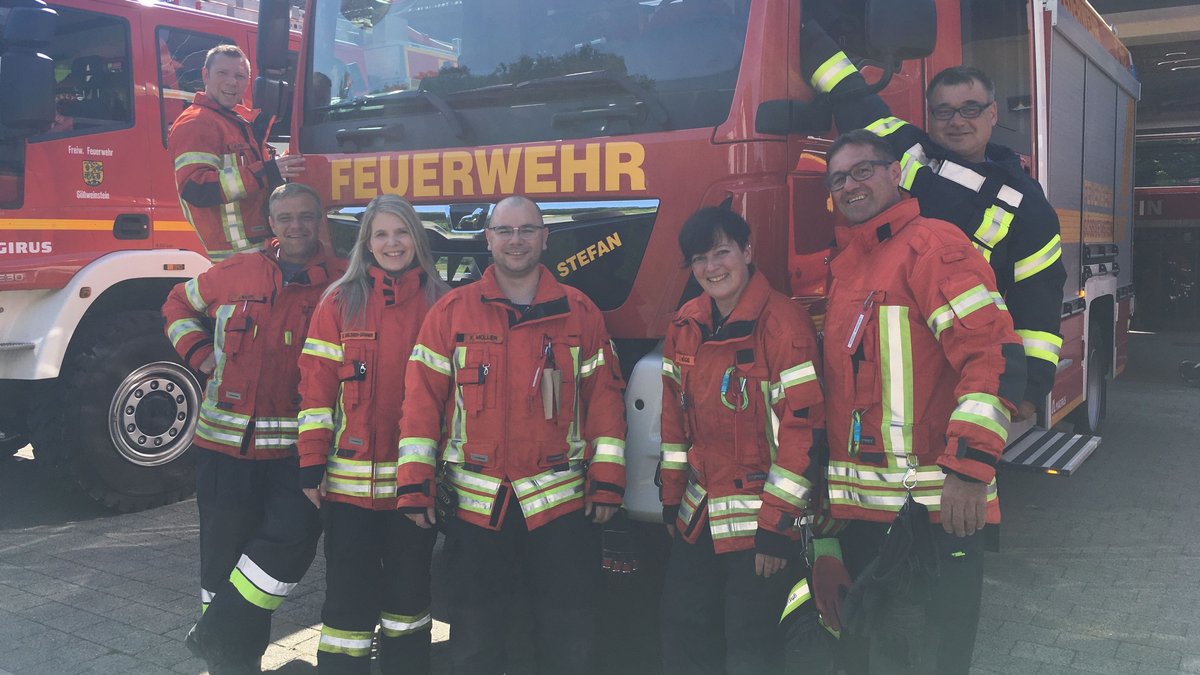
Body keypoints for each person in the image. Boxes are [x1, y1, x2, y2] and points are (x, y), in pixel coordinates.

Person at [819, 130, 1026, 674]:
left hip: (937, 511)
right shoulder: (846, 268)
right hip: (867, 513)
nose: (851, 185)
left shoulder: (935, 247)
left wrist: (969, 471)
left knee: (933, 658)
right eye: (839, 178)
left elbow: (992, 357)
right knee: (875, 655)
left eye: (863, 170)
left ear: (895, 174)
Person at [395, 195, 627, 675]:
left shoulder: (580, 313)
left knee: (564, 634)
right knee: (475, 639)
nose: (515, 240)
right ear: (488, 240)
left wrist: (607, 478)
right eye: (505, 231)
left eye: (526, 230)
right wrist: (414, 483)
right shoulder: (451, 313)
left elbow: (604, 400)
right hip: (477, 512)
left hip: (560, 511)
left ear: (545, 237)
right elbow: (421, 403)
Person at [801, 25, 1066, 422]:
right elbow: (846, 88)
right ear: (930, 117)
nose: (956, 121)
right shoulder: (904, 148)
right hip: (892, 343)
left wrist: (1028, 390)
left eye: (970, 109)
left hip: (962, 356)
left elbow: (1038, 299)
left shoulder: (1026, 203)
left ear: (993, 112)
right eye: (944, 111)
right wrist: (801, 29)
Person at [163, 183, 346, 674]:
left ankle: (213, 632)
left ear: (319, 220)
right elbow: (177, 305)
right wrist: (200, 356)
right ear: (271, 222)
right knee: (221, 562)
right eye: (286, 217)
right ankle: (232, 664)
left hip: (294, 452)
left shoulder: (341, 281)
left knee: (293, 540)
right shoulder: (236, 270)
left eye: (306, 216)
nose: (297, 226)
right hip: (223, 448)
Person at [658, 207, 825, 675]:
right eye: (699, 259)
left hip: (760, 525)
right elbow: (673, 423)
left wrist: (777, 529)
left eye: (721, 252)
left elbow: (802, 433)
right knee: (684, 627)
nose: (711, 268)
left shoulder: (784, 326)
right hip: (699, 515)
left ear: (748, 252)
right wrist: (672, 499)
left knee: (750, 644)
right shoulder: (685, 325)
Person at [296, 195, 449, 674]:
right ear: (366, 243)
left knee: (409, 600)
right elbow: (316, 391)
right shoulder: (339, 302)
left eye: (401, 232)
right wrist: (310, 465)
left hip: (414, 492)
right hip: (348, 493)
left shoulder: (443, 303)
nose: (392, 243)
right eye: (380, 234)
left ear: (417, 239)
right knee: (346, 603)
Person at [169, 44, 305, 261]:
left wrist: (281, 164)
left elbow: (252, 174)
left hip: (255, 251)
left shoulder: (235, 121)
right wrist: (265, 171)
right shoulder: (196, 122)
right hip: (235, 258)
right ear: (206, 75)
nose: (232, 82)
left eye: (240, 76)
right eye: (222, 73)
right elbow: (197, 188)